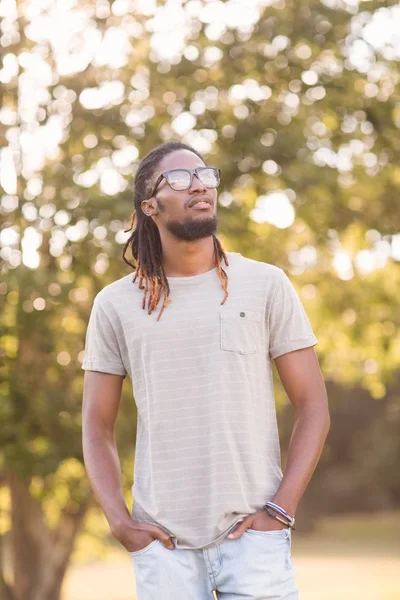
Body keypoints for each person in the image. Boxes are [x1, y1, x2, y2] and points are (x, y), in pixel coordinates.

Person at [81, 141, 330, 599]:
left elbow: (313, 405)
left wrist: (280, 511)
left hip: (254, 540)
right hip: (163, 546)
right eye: (179, 178)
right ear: (149, 206)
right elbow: (97, 427)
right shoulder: (115, 304)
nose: (199, 185)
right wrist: (119, 520)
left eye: (205, 175)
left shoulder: (265, 284)